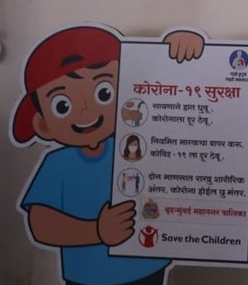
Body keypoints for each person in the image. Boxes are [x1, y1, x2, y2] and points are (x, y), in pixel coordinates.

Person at [12, 24, 206, 285]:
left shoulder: (141, 140)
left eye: (104, 92)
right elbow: (41, 223)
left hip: (148, 266)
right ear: (43, 124)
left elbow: (182, 110)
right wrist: (97, 231)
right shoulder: (57, 164)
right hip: (87, 277)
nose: (85, 110)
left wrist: (178, 51)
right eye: (62, 105)